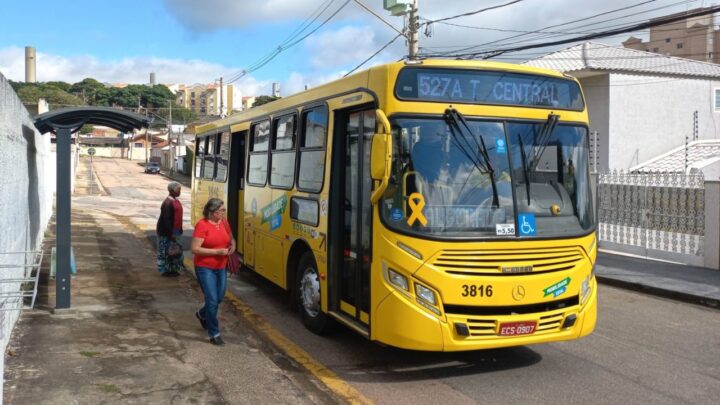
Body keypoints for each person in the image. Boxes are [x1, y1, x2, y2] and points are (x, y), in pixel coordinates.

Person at [192, 198, 236, 346]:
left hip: (221, 267)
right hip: (205, 268)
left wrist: (232, 248)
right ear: (212, 211)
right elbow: (195, 249)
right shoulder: (202, 225)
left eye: (224, 210)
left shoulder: (224, 222)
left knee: (219, 297)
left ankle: (202, 314)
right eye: (221, 210)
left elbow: (231, 239)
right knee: (211, 300)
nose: (223, 212)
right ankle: (214, 333)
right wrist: (217, 251)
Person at [156, 181, 185, 277]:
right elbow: (166, 220)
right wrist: (171, 234)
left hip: (175, 230)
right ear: (172, 191)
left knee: (174, 251)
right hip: (167, 232)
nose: (179, 192)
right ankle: (165, 270)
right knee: (165, 251)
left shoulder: (174, 200)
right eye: (178, 190)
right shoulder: (167, 203)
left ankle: (173, 269)